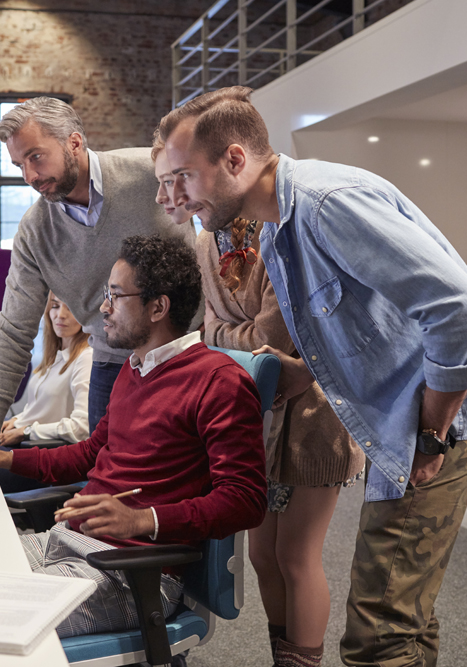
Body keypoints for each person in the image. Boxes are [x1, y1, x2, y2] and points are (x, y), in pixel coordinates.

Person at [159, 86, 467, 667]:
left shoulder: (328, 203)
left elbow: (462, 313)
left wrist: (430, 435)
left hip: (444, 423)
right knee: (406, 617)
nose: (175, 194)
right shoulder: (279, 229)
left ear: (233, 160)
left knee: (378, 631)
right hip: (403, 422)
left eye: (184, 176)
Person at [0, 235, 267, 638]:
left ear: (158, 306)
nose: (102, 308)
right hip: (68, 543)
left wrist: (140, 519)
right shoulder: (135, 367)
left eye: (115, 296)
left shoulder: (219, 382)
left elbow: (246, 502)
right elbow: (90, 454)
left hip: (134, 574)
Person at [153, 134, 365, 662]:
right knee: (263, 557)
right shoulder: (206, 240)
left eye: (178, 180)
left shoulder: (274, 231)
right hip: (255, 411)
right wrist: (235, 337)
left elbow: (279, 337)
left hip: (314, 413)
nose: (171, 196)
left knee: (296, 555)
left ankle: (304, 658)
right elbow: (210, 331)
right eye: (164, 183)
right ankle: (283, 655)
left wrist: (229, 335)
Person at [0, 97, 198, 461]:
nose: (29, 177)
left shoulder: (149, 172)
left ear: (74, 142)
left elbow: (216, 225)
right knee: (105, 476)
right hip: (111, 362)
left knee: (179, 479)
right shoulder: (36, 231)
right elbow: (14, 329)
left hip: (186, 357)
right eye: (20, 165)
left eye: (36, 157)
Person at [0, 292, 92, 494]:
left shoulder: (86, 358)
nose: (60, 315)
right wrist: (19, 420)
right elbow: (46, 408)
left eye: (70, 308)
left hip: (47, 460)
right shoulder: (54, 356)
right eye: (55, 306)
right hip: (29, 447)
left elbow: (82, 428)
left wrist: (26, 430)